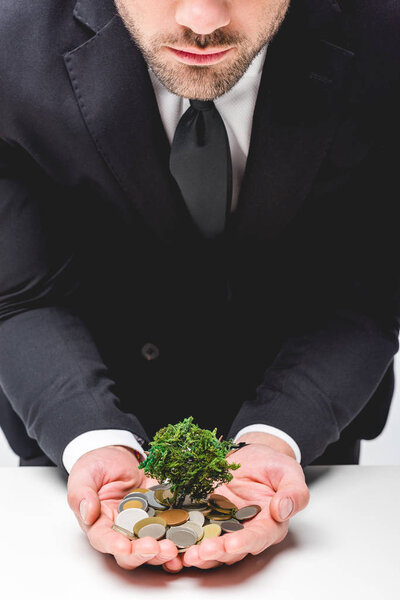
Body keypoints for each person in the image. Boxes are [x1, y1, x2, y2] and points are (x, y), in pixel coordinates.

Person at [0, 0, 399, 573]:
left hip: (311, 455)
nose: (204, 18)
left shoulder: (386, 39)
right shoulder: (11, 47)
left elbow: (363, 293)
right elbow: (23, 293)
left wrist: (276, 437)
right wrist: (93, 440)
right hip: (64, 449)